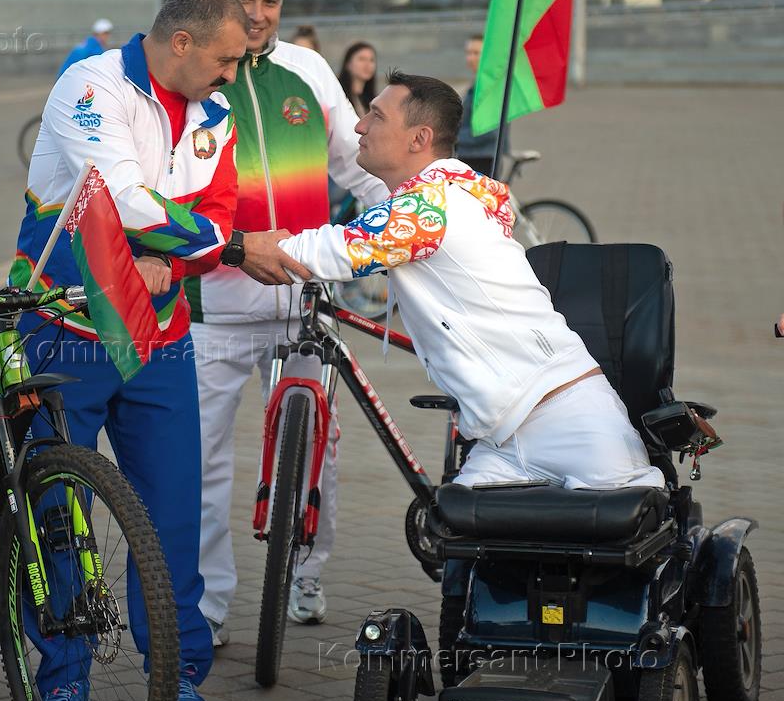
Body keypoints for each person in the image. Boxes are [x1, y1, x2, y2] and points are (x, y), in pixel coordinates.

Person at [8, 0, 248, 701]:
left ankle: (174, 673)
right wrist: (219, 246)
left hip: (159, 333)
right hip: (65, 324)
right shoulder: (90, 85)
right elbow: (118, 196)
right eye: (226, 59)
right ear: (181, 42)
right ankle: (61, 675)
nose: (233, 75)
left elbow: (219, 211)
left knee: (172, 510)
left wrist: (170, 260)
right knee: (58, 510)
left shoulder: (216, 113)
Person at [246, 71, 664, 492]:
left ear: (419, 138)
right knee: (447, 526)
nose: (359, 126)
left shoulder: (431, 205)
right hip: (500, 440)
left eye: (376, 116)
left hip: (572, 421)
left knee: (632, 526)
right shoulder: (443, 194)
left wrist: (236, 246)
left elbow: (333, 250)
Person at [188, 0, 391, 644]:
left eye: (270, 1)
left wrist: (412, 221)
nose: (257, 14)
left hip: (306, 302)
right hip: (214, 308)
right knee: (203, 461)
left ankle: (306, 570)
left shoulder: (308, 70)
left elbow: (360, 170)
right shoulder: (192, 78)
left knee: (316, 448)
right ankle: (207, 605)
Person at [457, 33, 508, 176]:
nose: (470, 58)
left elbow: (488, 131)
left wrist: (453, 137)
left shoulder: (490, 87)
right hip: (475, 155)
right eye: (468, 53)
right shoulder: (480, 84)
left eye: (476, 53)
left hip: (482, 157)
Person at [338, 41, 377, 118]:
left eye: (371, 60)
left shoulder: (373, 101)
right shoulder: (339, 94)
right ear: (348, 64)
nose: (367, 65)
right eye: (362, 59)